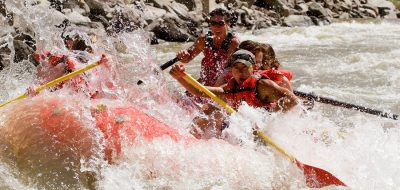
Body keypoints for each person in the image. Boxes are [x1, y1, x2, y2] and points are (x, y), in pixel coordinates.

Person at [170, 49, 299, 137]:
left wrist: (268, 123)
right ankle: (189, 136)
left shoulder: (263, 85)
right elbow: (200, 91)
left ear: (253, 68)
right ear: (231, 70)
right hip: (241, 130)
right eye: (236, 68)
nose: (240, 72)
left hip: (263, 133)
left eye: (244, 68)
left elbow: (293, 100)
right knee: (210, 108)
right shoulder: (230, 87)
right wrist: (179, 77)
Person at [28, 32, 110, 98]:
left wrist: (107, 65)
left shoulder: (95, 65)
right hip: (58, 90)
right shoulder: (66, 60)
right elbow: (39, 57)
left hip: (75, 94)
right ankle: (36, 91)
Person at [176, 8, 240, 86]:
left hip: (224, 85)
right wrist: (183, 54)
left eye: (220, 23)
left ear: (228, 25)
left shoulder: (233, 43)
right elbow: (186, 59)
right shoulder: (203, 40)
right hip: (205, 81)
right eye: (213, 23)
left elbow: (236, 71)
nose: (216, 27)